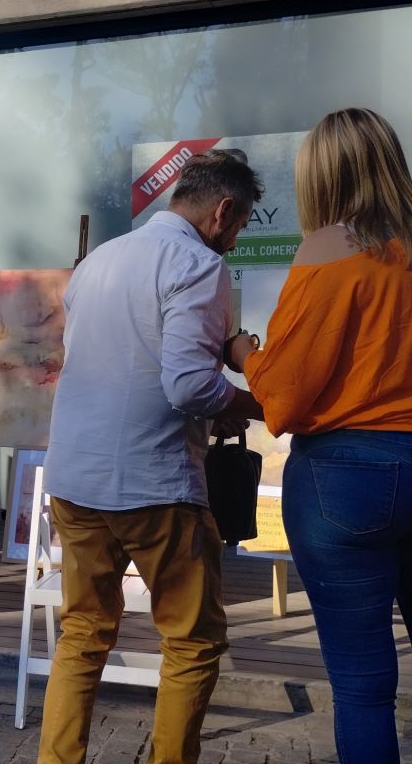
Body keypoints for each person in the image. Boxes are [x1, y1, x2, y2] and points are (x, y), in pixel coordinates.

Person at [38, 150, 265, 764]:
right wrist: (255, 402)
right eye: (242, 225)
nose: (236, 239)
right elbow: (187, 386)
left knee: (83, 634)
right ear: (223, 210)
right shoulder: (200, 265)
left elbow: (117, 364)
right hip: (154, 484)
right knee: (192, 642)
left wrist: (210, 406)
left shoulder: (100, 260)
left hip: (75, 477)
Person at [229, 108, 412, 764]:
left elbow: (284, 395)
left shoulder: (330, 248)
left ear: (321, 176)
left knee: (363, 687)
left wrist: (244, 352)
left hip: (343, 478)